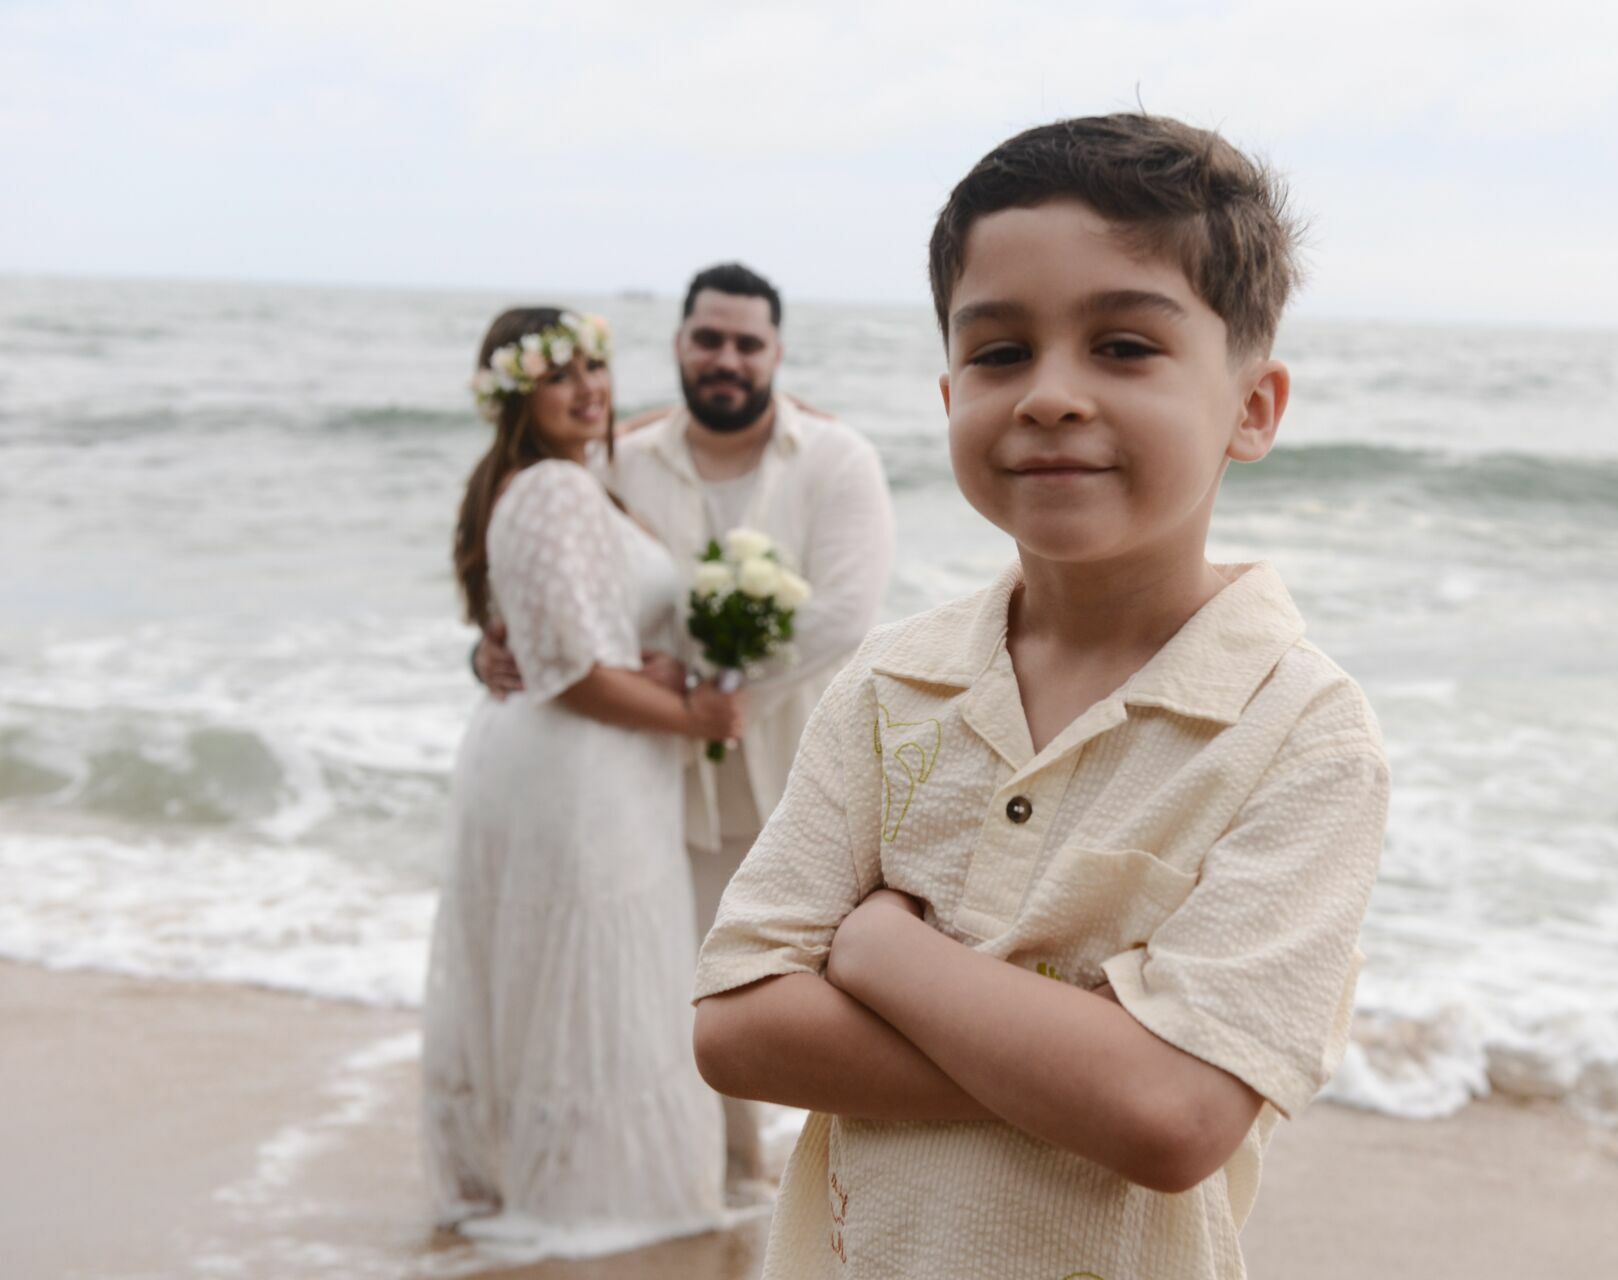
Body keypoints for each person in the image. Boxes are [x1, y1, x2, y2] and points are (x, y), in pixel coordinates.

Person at [690, 115, 1391, 1278]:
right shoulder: (892, 684)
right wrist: (1090, 1064)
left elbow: (1173, 1118)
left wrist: (882, 953)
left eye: (1123, 345)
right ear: (950, 386)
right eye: (1001, 353)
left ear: (1254, 407)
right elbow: (736, 1022)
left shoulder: (1300, 732)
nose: (1050, 394)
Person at [476, 264, 894, 1187]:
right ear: (678, 343)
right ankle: (723, 1180)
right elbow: (542, 571)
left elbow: (843, 616)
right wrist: (490, 649)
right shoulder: (614, 457)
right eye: (709, 338)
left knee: (814, 997)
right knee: (672, 991)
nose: (727, 359)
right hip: (653, 780)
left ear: (778, 353)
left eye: (749, 343)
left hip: (794, 772)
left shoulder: (837, 458)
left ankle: (838, 1188)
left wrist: (716, 686)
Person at [422, 307, 740, 1252]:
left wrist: (657, 672)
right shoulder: (555, 488)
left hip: (574, 761)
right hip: (579, 768)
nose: (589, 388)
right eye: (561, 373)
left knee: (579, 967)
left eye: (597, 366)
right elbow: (572, 675)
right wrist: (695, 713)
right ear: (518, 392)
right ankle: (595, 1195)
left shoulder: (560, 480)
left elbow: (570, 642)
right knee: (595, 966)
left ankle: (559, 1174)